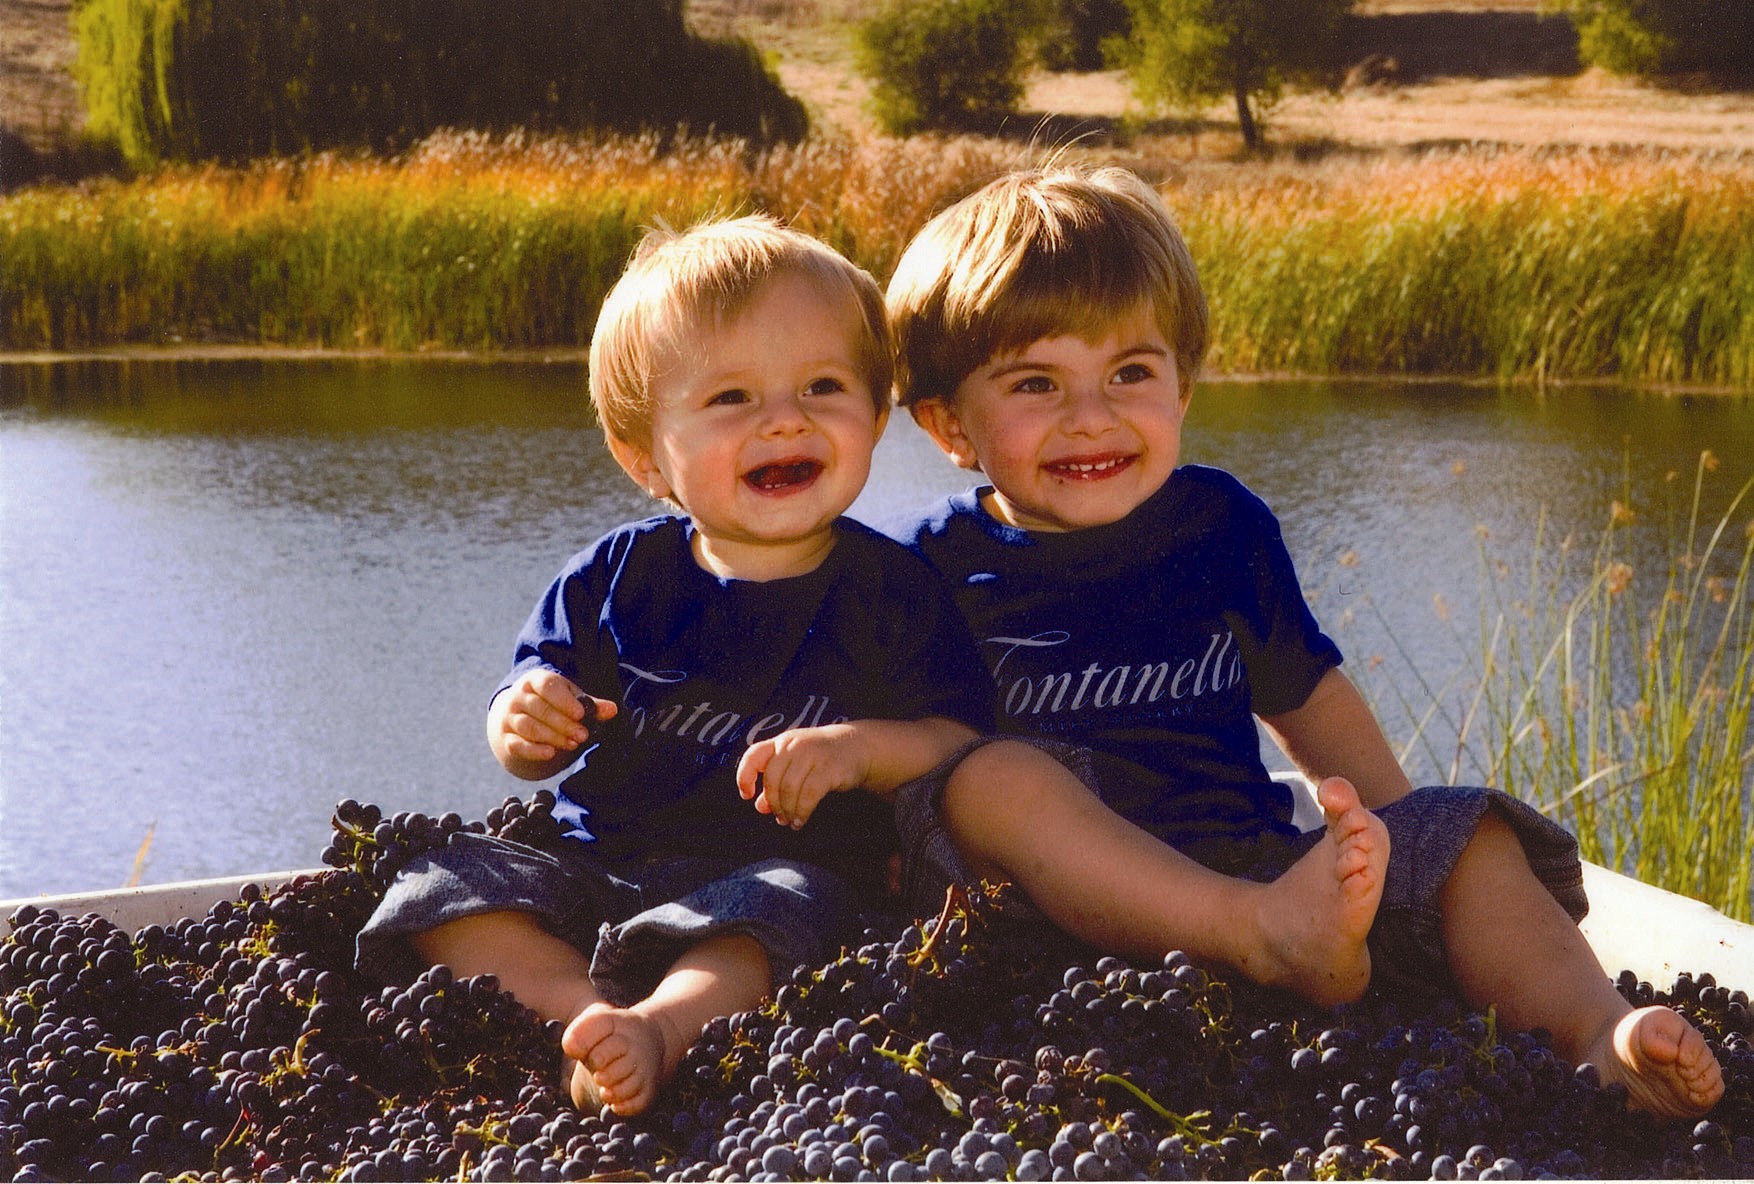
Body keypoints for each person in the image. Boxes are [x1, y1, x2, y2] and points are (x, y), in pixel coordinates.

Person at [878, 164, 1724, 1120]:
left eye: (1130, 373)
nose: (1093, 415)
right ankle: (1262, 938)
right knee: (994, 780)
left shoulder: (1218, 528)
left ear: (1183, 388)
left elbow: (1306, 695)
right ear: (950, 424)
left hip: (1248, 869)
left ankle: (1597, 1032)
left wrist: (1404, 852)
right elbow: (895, 747)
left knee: (1469, 833)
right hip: (1038, 918)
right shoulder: (926, 568)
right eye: (1037, 382)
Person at [356, 215, 992, 1116]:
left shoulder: (894, 589)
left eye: (824, 386)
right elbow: (531, 725)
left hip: (769, 877)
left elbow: (957, 739)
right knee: (442, 884)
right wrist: (523, 719)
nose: (786, 418)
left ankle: (660, 1028)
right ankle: (586, 1018)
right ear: (646, 455)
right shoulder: (617, 578)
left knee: (792, 914)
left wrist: (859, 750)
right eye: (732, 398)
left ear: (876, 416)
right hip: (596, 866)